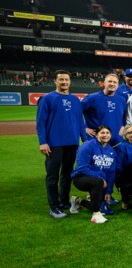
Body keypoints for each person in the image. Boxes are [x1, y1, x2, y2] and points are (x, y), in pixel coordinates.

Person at [36, 69, 88, 218]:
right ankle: (54, 207)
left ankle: (64, 201)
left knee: (67, 173)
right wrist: (43, 142)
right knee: (53, 176)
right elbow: (41, 123)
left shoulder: (75, 100)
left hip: (72, 143)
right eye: (61, 80)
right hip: (54, 144)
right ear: (55, 81)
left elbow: (80, 121)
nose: (64, 82)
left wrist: (84, 139)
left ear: (70, 81)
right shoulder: (47, 98)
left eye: (66, 79)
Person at [69, 125, 117, 224]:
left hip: (99, 181)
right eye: (102, 133)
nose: (105, 135)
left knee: (103, 208)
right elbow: (82, 168)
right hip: (81, 178)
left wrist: (108, 191)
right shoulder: (87, 146)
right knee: (97, 183)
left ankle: (77, 200)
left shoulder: (111, 151)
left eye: (107, 133)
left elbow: (111, 173)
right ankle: (96, 215)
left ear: (110, 135)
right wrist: (99, 177)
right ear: (96, 135)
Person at [81, 73, 127, 146]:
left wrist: (123, 126)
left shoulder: (121, 100)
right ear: (104, 83)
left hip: (116, 141)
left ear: (118, 85)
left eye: (115, 82)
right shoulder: (91, 98)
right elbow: (76, 113)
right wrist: (84, 128)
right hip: (96, 140)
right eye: (109, 81)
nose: (112, 84)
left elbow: (125, 117)